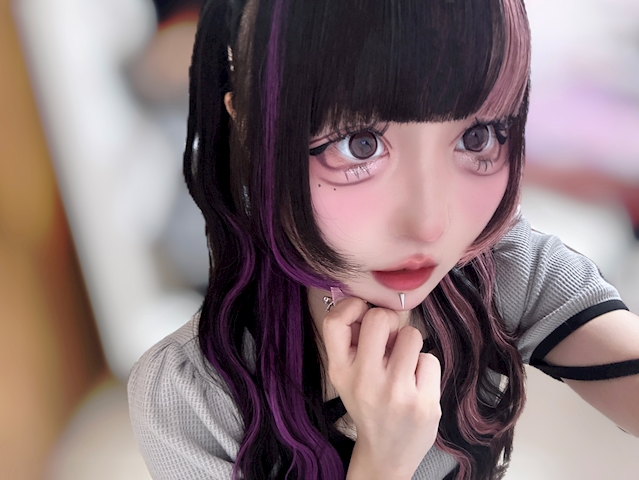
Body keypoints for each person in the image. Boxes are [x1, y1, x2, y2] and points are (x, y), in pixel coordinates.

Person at [127, 0, 639, 479]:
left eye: (477, 137)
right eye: (360, 144)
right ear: (249, 128)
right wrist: (383, 460)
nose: (430, 226)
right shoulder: (192, 398)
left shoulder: (497, 267)